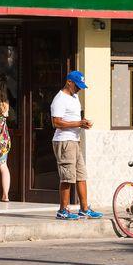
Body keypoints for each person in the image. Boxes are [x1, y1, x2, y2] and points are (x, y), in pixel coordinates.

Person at [50, 70, 102, 220]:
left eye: (81, 86)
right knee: (67, 177)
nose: (79, 89)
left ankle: (84, 209)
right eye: (77, 85)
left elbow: (72, 117)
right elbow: (56, 122)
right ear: (69, 82)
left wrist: (82, 123)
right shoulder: (59, 99)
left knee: (81, 175)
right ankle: (63, 210)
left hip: (75, 140)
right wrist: (79, 123)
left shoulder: (74, 96)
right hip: (64, 141)